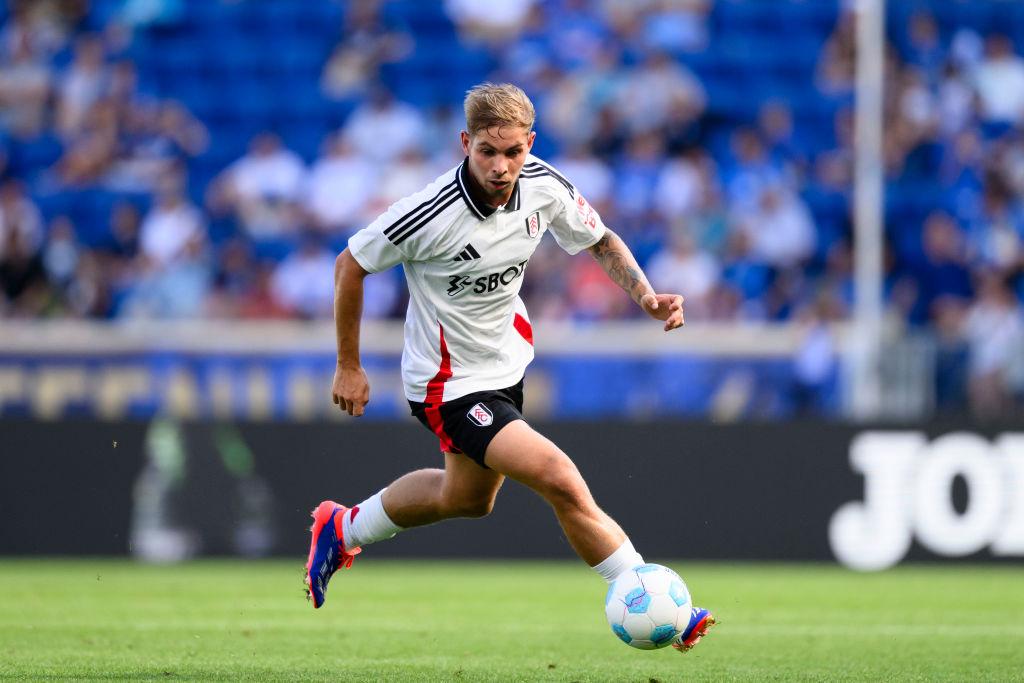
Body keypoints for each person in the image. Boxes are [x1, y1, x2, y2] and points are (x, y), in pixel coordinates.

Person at [304, 83, 714, 653]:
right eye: (488, 152)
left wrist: (645, 297)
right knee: (558, 476)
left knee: (466, 499)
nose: (501, 167)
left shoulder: (543, 186)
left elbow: (599, 240)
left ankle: (343, 528)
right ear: (465, 142)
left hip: (505, 364)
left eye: (513, 152)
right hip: (447, 384)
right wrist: (348, 364)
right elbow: (350, 265)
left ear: (530, 144)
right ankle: (645, 590)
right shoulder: (428, 213)